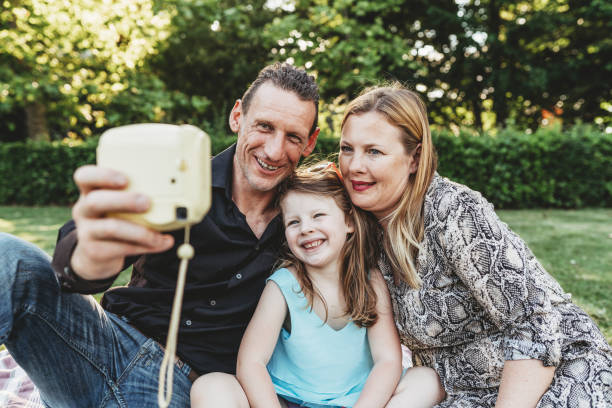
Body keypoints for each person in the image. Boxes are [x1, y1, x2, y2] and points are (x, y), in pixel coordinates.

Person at [0, 62, 320, 407]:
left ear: (310, 143)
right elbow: (75, 263)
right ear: (237, 116)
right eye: (264, 127)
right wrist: (88, 260)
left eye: (292, 137)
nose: (273, 150)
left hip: (197, 394)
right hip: (110, 351)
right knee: (10, 259)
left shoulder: (311, 219)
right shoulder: (173, 177)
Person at [337, 83, 612, 407]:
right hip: (465, 396)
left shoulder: (454, 212)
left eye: (374, 151)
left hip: (554, 374)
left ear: (414, 159)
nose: (354, 165)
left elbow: (534, 324)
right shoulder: (359, 225)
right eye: (346, 148)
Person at [190, 163, 446, 408]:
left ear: (348, 222)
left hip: (357, 400)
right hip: (287, 399)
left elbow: (387, 360)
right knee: (211, 386)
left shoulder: (370, 280)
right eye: (294, 222)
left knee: (427, 381)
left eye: (318, 215)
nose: (306, 229)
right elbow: (251, 362)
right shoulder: (284, 284)